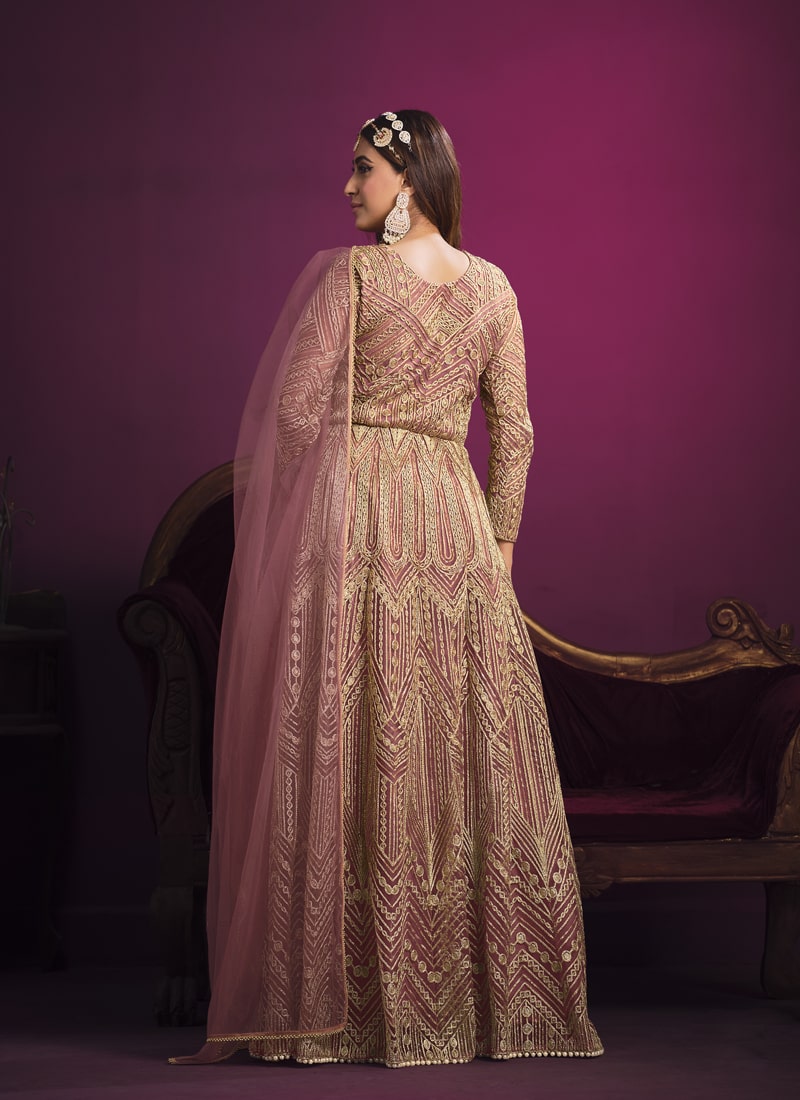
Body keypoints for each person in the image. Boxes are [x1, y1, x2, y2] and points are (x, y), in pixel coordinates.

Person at [171, 110, 602, 1068]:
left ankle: (341, 1001)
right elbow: (517, 433)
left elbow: (295, 414)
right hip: (454, 525)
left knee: (349, 734)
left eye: (362, 168)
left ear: (407, 177)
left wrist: (308, 511)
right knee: (454, 747)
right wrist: (499, 547)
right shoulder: (494, 287)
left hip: (356, 521)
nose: (348, 186)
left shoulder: (354, 279)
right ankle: (479, 1005)